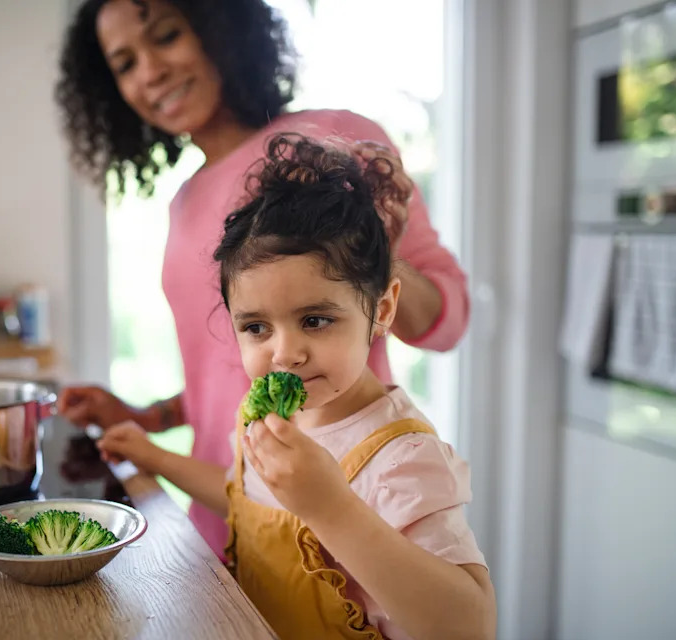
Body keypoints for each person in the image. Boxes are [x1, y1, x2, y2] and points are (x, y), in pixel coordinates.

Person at [55, 0, 470, 557]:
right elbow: (229, 368)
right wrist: (146, 417)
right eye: (125, 64)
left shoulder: (338, 139)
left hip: (325, 521)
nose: (150, 71)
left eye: (168, 36)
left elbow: (448, 322)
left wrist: (366, 239)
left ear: (220, 30)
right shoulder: (183, 204)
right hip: (217, 520)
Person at [94, 134, 495, 640]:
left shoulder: (403, 457)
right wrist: (152, 456)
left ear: (383, 310)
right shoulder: (264, 415)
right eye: (257, 327)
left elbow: (470, 626)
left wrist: (330, 507)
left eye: (315, 319)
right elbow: (247, 500)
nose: (284, 353)